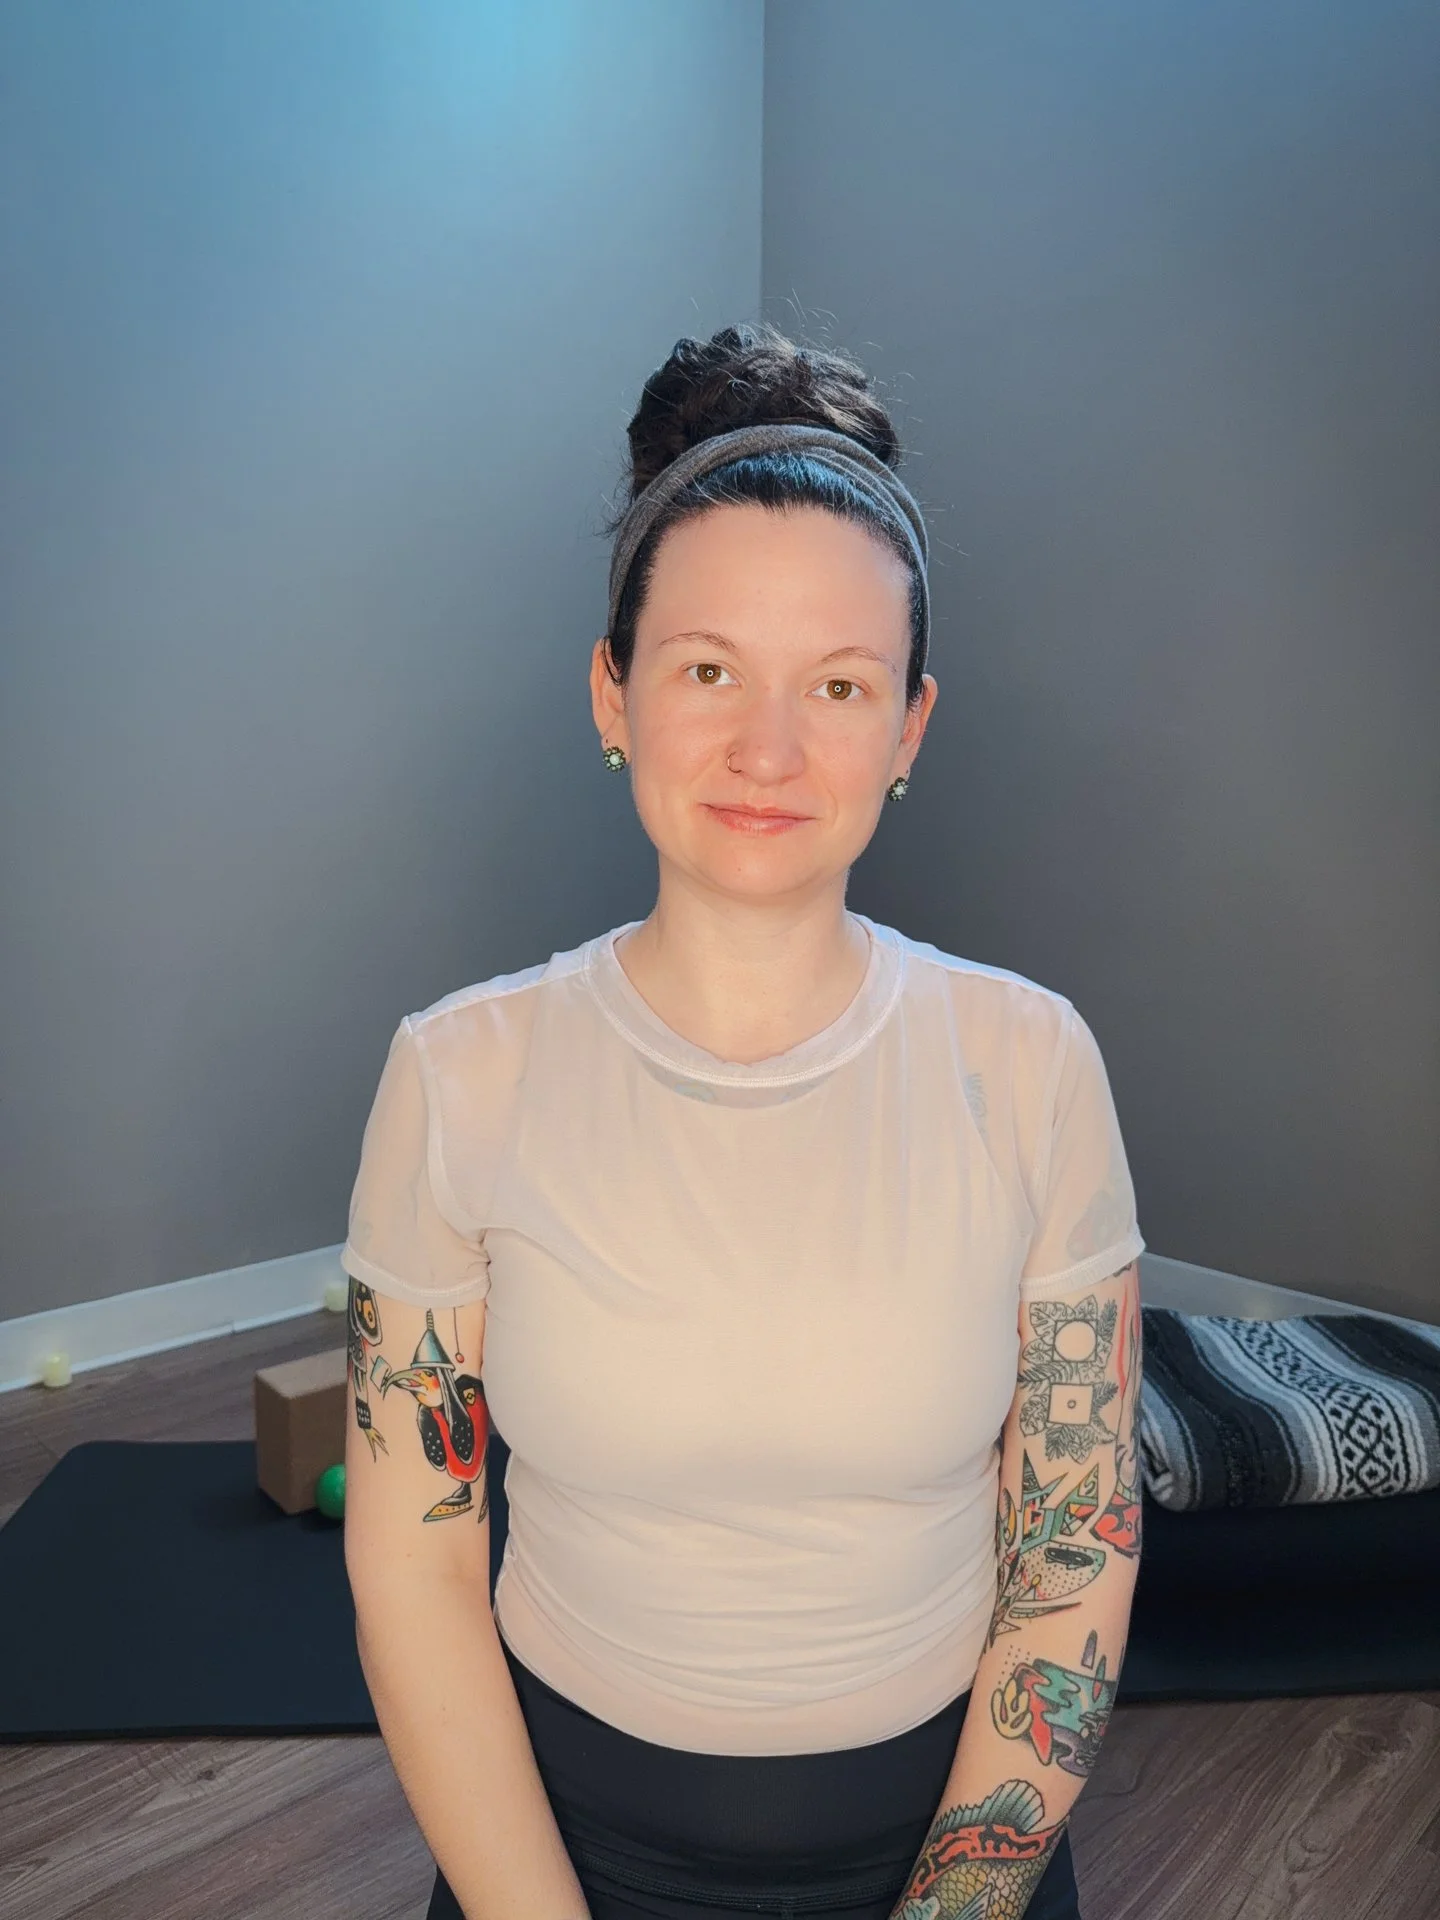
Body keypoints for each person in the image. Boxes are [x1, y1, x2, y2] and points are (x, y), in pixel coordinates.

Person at [340, 321, 1146, 1920]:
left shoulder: (1032, 1063)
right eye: (708, 668)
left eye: (838, 686)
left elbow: (1071, 1562)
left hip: (950, 1867)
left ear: (908, 728)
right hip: (560, 1870)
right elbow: (417, 1565)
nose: (767, 749)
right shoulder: (460, 1073)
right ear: (612, 692)